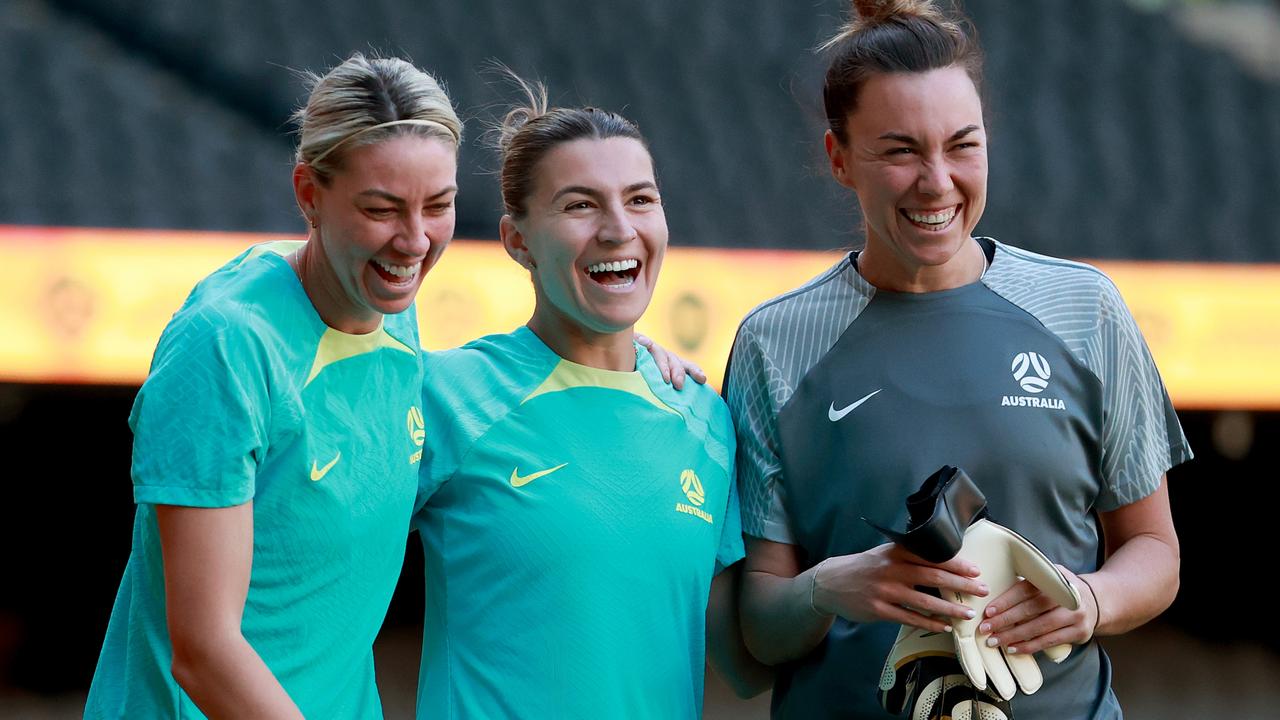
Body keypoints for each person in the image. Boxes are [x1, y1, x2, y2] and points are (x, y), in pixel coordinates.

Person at [725, 1, 1192, 718]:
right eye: (901, 150)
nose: (937, 181)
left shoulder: (1084, 309)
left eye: (962, 145)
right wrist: (832, 586)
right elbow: (759, 626)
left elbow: (1155, 552)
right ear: (839, 159)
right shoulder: (774, 343)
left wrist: (1089, 602)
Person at [84, 53, 463, 719]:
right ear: (309, 193)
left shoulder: (388, 307)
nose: (414, 240)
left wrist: (616, 356)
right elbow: (203, 650)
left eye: (439, 206)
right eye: (382, 208)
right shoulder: (226, 346)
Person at [411, 77, 770, 719]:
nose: (618, 229)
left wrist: (852, 585)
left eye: (640, 199)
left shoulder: (705, 419)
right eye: (580, 205)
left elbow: (745, 666)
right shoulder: (445, 395)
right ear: (518, 240)